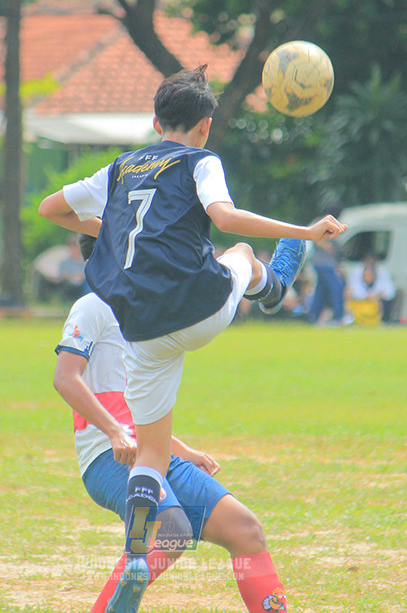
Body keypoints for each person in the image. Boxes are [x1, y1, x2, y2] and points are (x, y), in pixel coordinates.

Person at [38, 65, 345, 611]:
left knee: (239, 528)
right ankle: (272, 288)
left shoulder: (120, 169)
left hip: (149, 332)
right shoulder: (201, 159)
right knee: (243, 256)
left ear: (155, 121)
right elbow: (223, 216)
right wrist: (302, 232)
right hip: (195, 311)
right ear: (205, 126)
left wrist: (113, 230)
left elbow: (51, 209)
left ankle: (142, 542)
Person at [55, 235, 288, 612]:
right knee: (173, 531)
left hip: (153, 453)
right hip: (108, 458)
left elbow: (136, 408)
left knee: (246, 531)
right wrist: (114, 432)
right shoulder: (92, 306)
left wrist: (182, 450)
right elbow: (66, 378)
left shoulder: (147, 312)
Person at [306, 206, 346, 325]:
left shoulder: (322, 221)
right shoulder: (322, 222)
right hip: (324, 263)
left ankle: (313, 316)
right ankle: (339, 316)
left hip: (322, 263)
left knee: (321, 291)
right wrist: (331, 248)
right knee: (337, 287)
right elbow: (317, 240)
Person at [346, 254, 396, 325]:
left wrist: (377, 297)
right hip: (360, 302)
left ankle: (384, 320)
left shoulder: (383, 273)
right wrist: (367, 297)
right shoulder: (356, 273)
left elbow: (390, 292)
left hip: (378, 301)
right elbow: (352, 291)